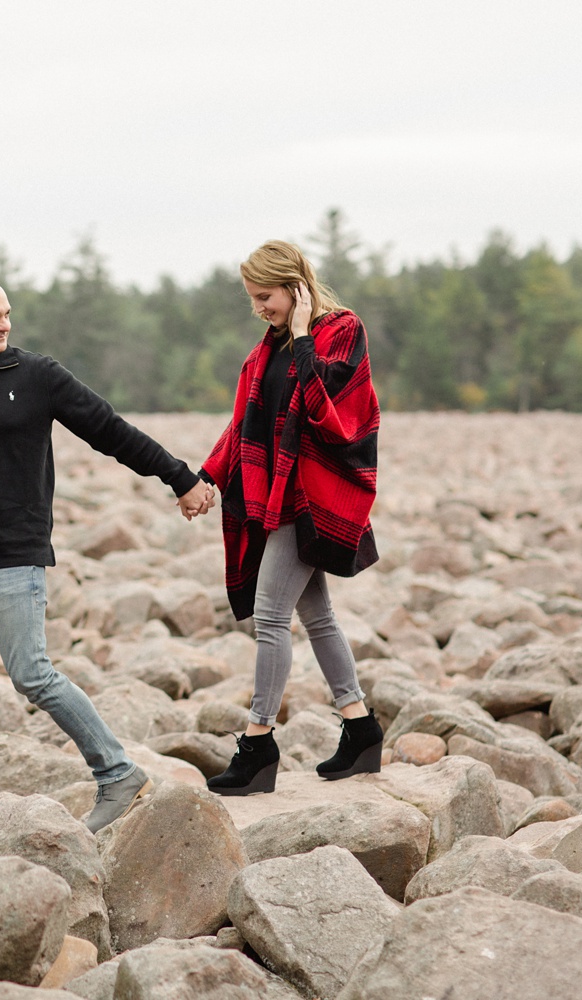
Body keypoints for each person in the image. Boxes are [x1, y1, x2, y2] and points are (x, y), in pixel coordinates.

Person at [0, 271, 214, 846]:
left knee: (32, 674)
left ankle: (119, 774)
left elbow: (111, 431)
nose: (5, 324)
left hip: (11, 560)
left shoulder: (37, 377)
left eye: (7, 314)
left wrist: (179, 477)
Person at [197, 240, 383, 796]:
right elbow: (242, 426)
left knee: (270, 614)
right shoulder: (264, 353)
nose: (260, 308)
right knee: (316, 615)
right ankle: (361, 728)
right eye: (252, 299)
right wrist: (206, 477)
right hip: (276, 493)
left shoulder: (342, 330)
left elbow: (334, 415)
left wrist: (303, 334)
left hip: (317, 495)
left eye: (267, 296)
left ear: (296, 285)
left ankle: (257, 746)